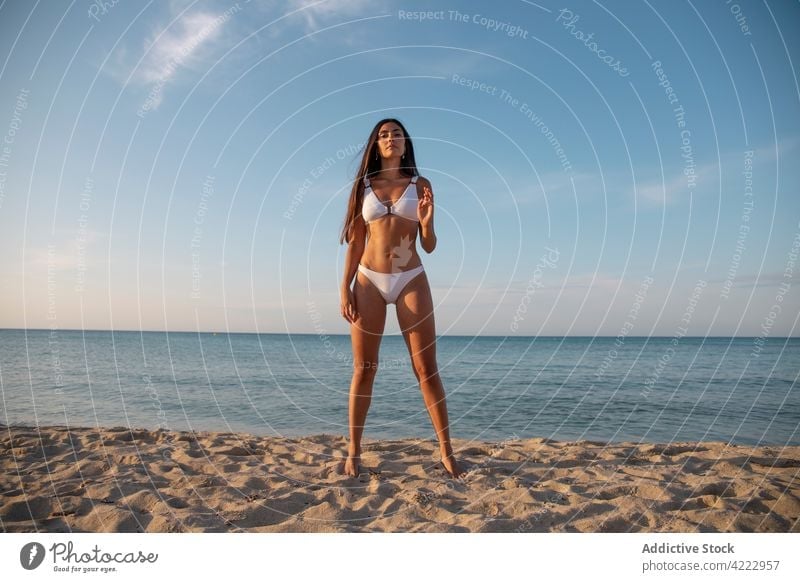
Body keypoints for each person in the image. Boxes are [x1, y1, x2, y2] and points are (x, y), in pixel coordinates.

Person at [339, 118, 463, 479]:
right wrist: (344, 287)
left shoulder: (420, 185)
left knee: (426, 369)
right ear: (376, 146)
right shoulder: (363, 187)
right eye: (383, 135)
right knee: (364, 369)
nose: (390, 138)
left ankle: (446, 452)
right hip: (368, 280)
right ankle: (354, 453)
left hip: (411, 278)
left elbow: (429, 245)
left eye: (396, 134)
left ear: (405, 144)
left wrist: (426, 221)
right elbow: (355, 242)